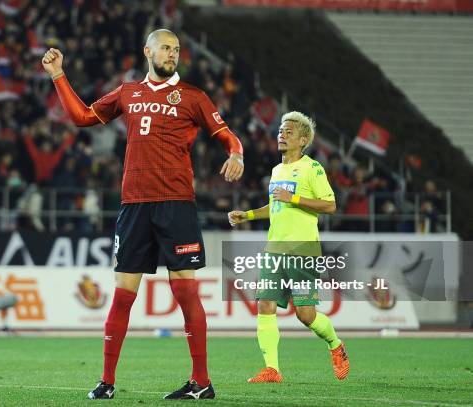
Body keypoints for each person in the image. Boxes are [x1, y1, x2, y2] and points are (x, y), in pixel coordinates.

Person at [42, 28, 244, 400]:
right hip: (133, 205)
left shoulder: (194, 97)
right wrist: (58, 76)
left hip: (175, 203)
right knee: (122, 297)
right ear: (148, 50)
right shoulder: (128, 92)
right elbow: (83, 117)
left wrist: (236, 153)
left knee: (186, 293)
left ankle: (201, 382)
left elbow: (228, 135)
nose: (172, 54)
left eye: (177, 49)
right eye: (166, 48)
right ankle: (106, 382)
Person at [228, 112, 349, 383]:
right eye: (281, 131)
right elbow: (276, 207)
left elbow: (330, 205)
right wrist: (246, 215)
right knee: (265, 305)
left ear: (303, 140)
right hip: (274, 250)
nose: (281, 135)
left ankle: (335, 344)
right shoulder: (277, 170)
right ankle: (272, 369)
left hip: (303, 251)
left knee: (305, 315)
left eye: (289, 132)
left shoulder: (312, 168)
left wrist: (294, 197)